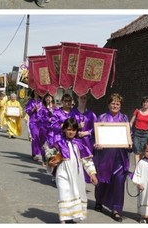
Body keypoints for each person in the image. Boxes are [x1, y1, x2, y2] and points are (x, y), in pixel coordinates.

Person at [93, 93, 132, 222]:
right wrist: (97, 144)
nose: (115, 105)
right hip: (104, 156)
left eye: (117, 104)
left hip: (120, 157)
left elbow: (129, 135)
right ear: (108, 104)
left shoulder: (124, 119)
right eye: (113, 103)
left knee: (119, 182)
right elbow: (95, 135)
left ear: (120, 106)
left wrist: (129, 143)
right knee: (102, 180)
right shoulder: (102, 118)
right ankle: (99, 201)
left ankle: (116, 209)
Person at [51, 118, 98, 223]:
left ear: (76, 131)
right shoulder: (58, 144)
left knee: (75, 192)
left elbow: (87, 161)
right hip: (62, 173)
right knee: (64, 192)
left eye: (73, 130)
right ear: (64, 130)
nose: (71, 132)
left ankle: (73, 215)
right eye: (68, 129)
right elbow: (51, 157)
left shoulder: (79, 144)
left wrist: (92, 174)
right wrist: (51, 162)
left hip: (76, 175)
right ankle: (63, 218)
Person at [69, 93, 97, 178]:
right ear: (77, 99)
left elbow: (95, 128)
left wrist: (87, 133)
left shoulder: (91, 114)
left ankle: (84, 180)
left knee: (86, 162)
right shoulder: (73, 113)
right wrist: (77, 126)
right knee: (76, 160)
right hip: (75, 140)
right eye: (81, 98)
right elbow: (68, 126)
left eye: (84, 98)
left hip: (87, 142)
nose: (83, 100)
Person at [130, 97, 148, 165]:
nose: (145, 103)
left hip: (145, 134)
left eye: (147, 102)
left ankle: (140, 165)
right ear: (142, 103)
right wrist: (129, 130)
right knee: (136, 150)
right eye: (144, 102)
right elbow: (131, 122)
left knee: (142, 151)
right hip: (137, 132)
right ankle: (137, 167)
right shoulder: (137, 111)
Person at [25, 90, 42, 160]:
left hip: (41, 122)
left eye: (38, 91)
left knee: (40, 137)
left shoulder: (42, 101)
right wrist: (34, 109)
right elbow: (27, 111)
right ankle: (34, 154)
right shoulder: (31, 101)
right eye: (35, 91)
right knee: (35, 137)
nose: (36, 92)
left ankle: (41, 153)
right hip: (33, 122)